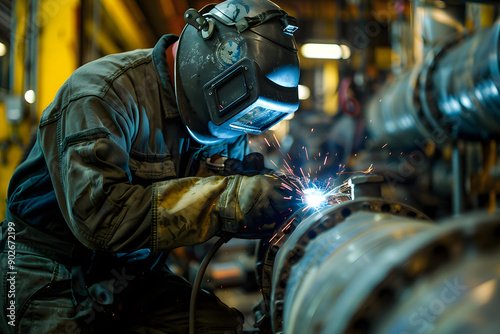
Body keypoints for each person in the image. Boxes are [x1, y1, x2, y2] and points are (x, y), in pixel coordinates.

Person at [0, 0, 301, 333]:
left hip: (133, 272)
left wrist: (265, 202)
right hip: (48, 264)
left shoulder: (227, 114)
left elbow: (230, 191)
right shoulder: (102, 94)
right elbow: (102, 218)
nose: (235, 130)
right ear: (205, 60)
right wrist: (228, 199)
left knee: (218, 327)